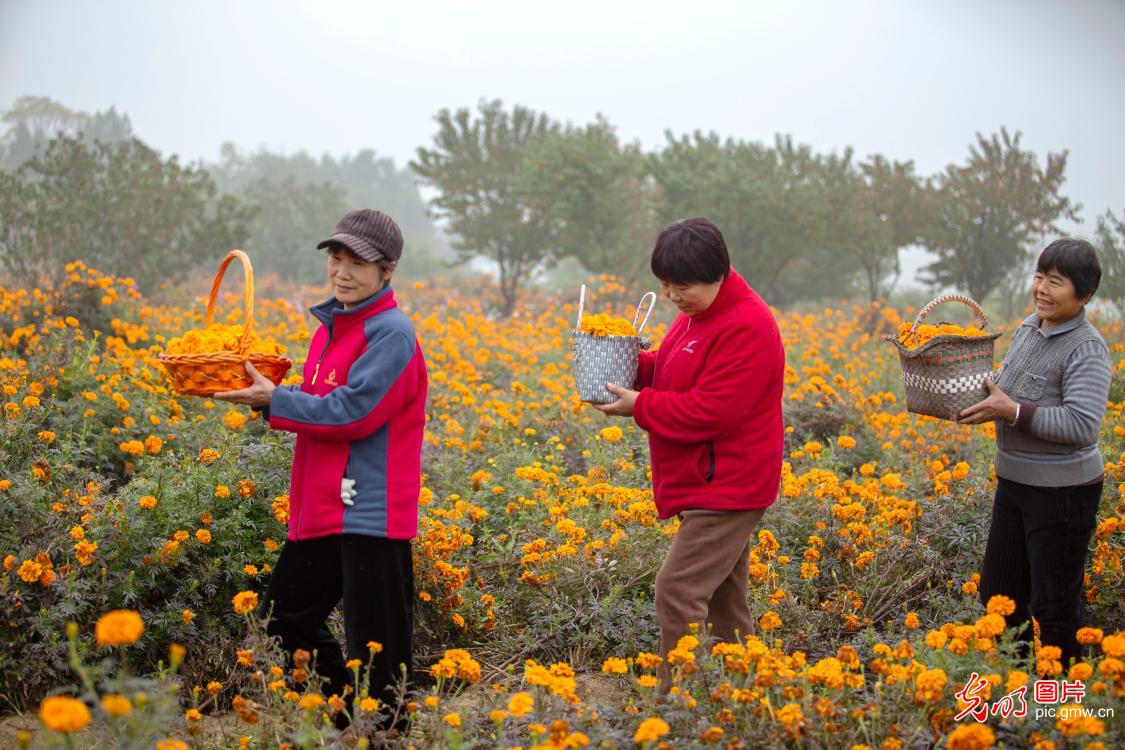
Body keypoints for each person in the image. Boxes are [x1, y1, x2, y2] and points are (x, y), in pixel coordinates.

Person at [214, 208, 428, 724]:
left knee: (377, 647)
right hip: (325, 505)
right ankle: (348, 717)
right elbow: (319, 402)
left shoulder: (391, 334)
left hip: (370, 513)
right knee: (282, 622)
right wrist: (271, 395)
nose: (343, 273)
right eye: (336, 258)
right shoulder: (332, 329)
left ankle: (382, 733)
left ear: (388, 270)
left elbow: (354, 413)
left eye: (358, 263)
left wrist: (276, 400)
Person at [593, 217, 785, 688]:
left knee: (677, 589)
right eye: (666, 285)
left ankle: (675, 704)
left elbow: (712, 411)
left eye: (682, 287)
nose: (672, 296)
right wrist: (624, 363)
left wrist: (640, 406)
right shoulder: (701, 312)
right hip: (709, 478)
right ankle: (743, 696)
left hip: (729, 485)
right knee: (724, 602)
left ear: (719, 274)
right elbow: (672, 369)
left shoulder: (748, 326)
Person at [958, 238, 1111, 667]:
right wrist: (974, 396)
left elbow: (1081, 425)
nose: (1041, 288)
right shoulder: (1030, 326)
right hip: (1015, 483)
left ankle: (1064, 697)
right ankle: (1021, 680)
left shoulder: (1086, 347)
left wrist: (1012, 411)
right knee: (999, 595)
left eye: (1056, 281)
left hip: (1062, 493)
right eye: (1039, 276)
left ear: (1084, 294)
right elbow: (1009, 386)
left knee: (1054, 608)